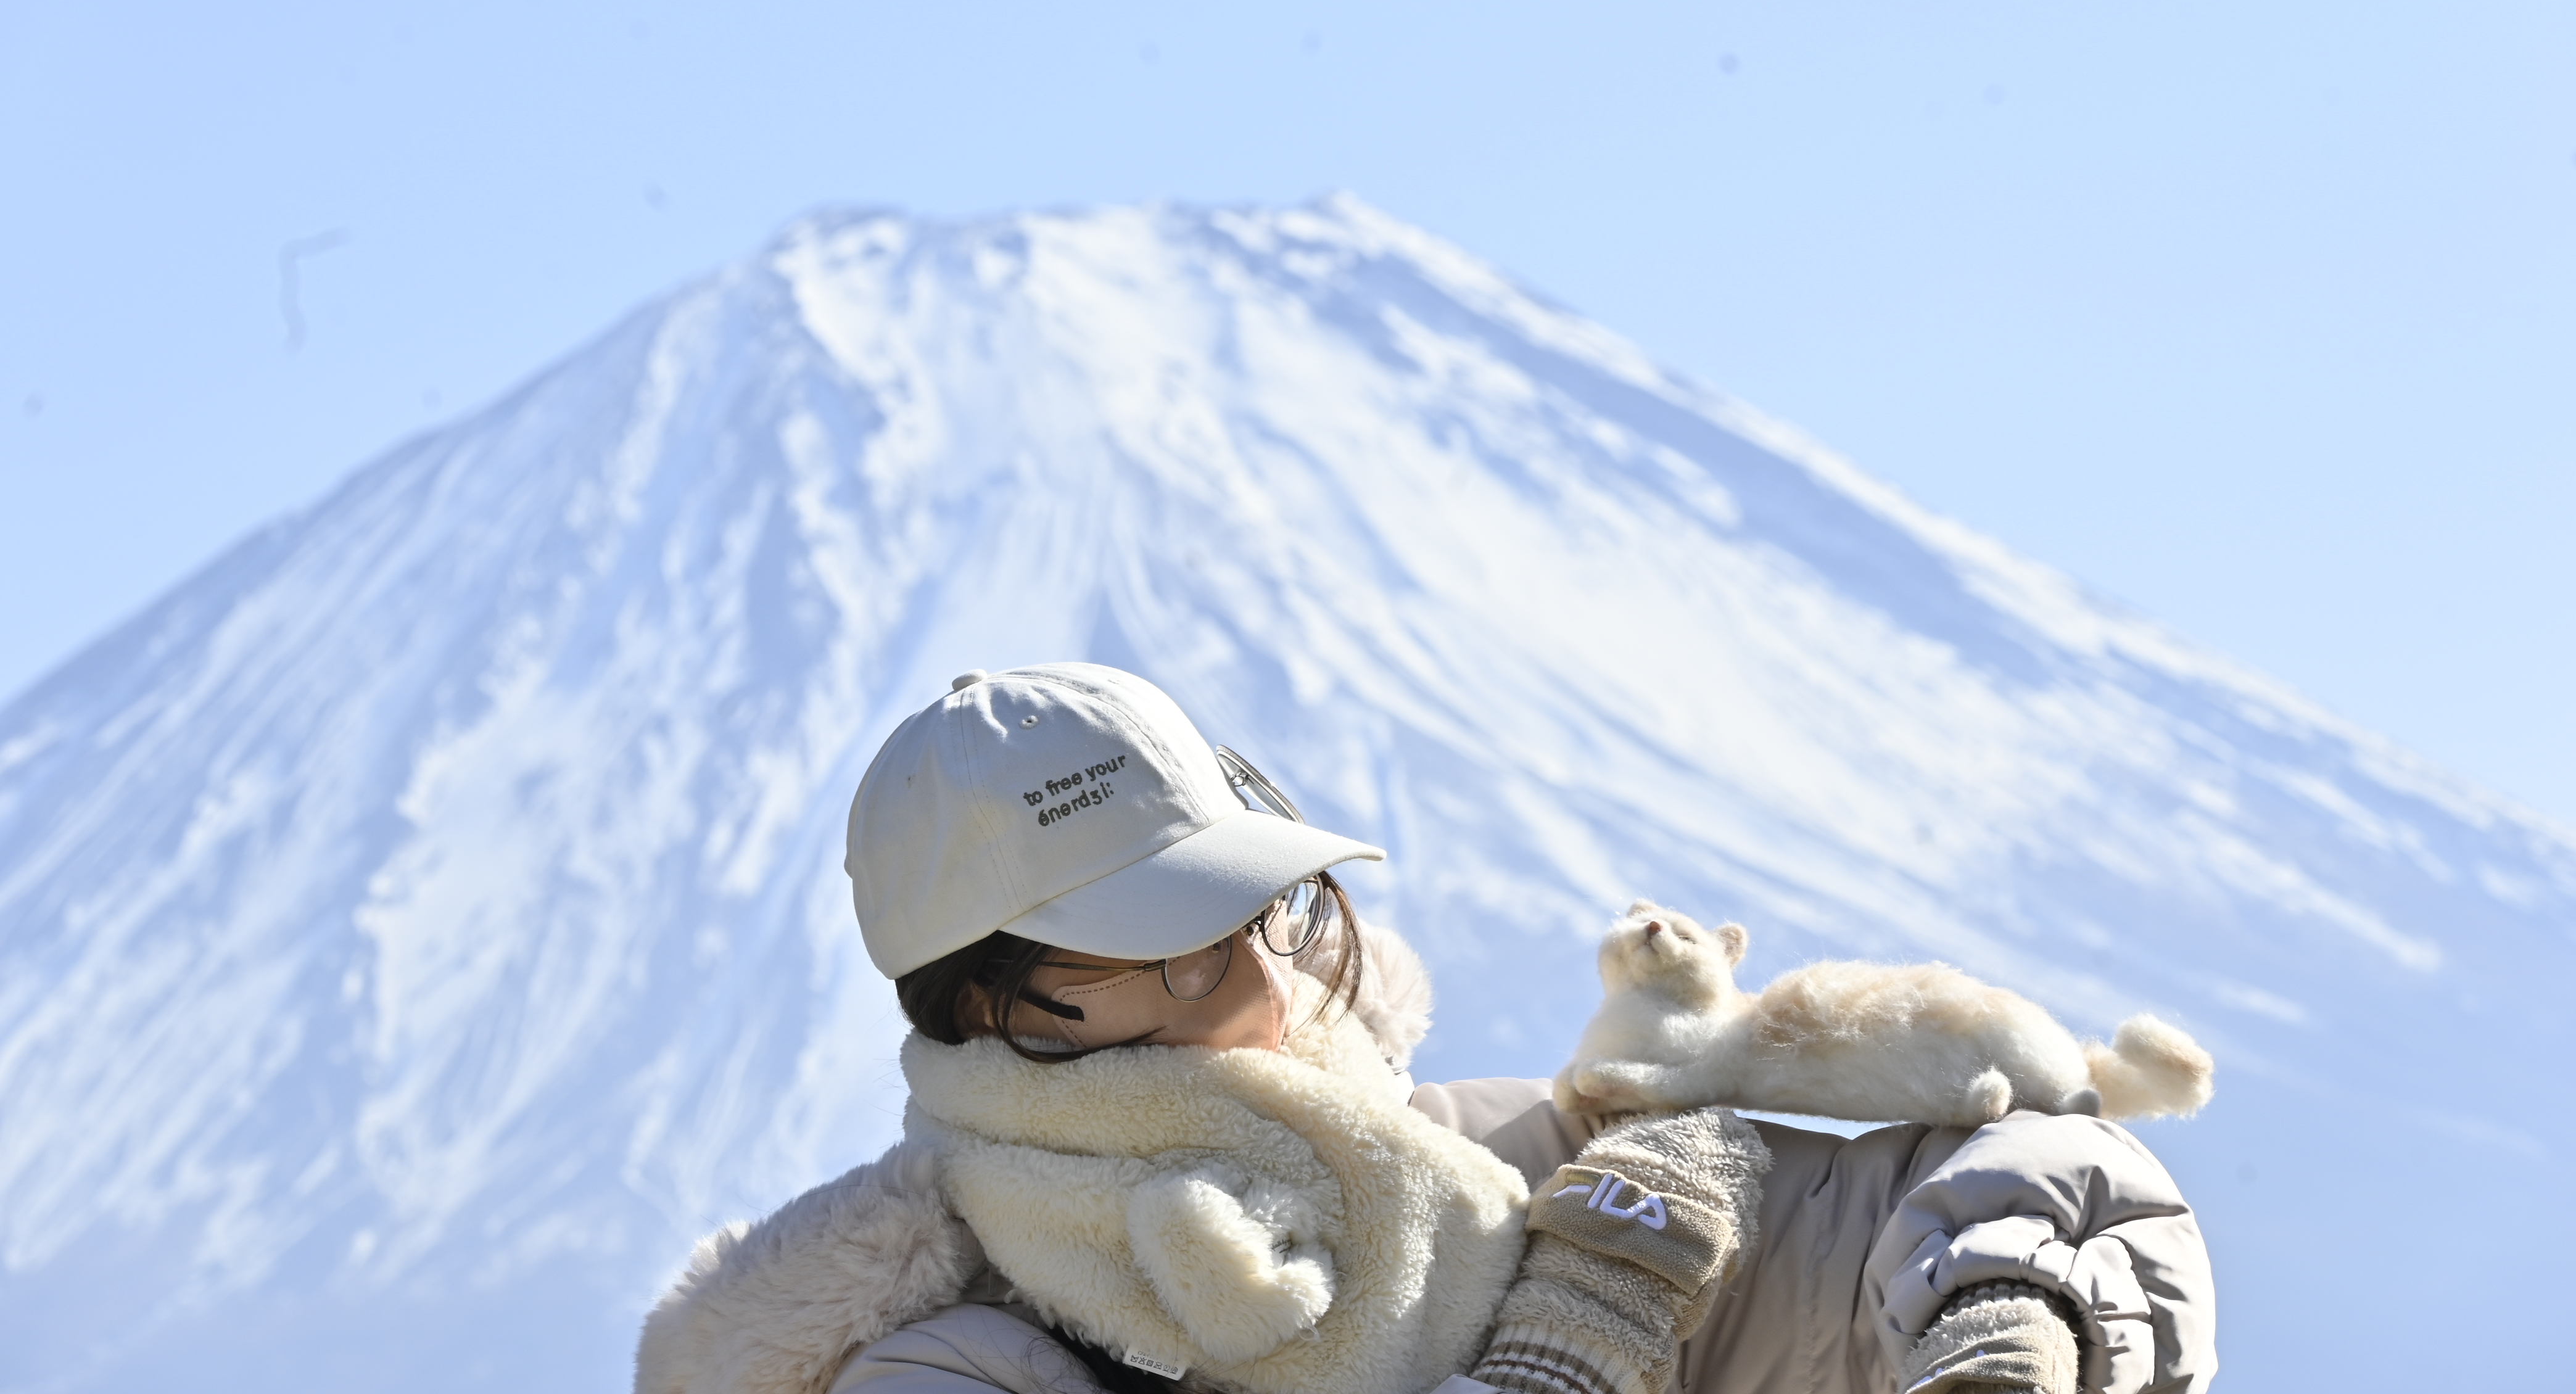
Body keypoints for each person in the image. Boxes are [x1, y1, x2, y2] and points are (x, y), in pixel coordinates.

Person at [636, 664, 2215, 1394]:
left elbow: (2068, 1180)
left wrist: (2011, 1315)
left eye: (1254, 918)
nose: (1245, 978)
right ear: (983, 1007)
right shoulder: (966, 1364)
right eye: (1157, 957)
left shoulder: (1557, 1179)